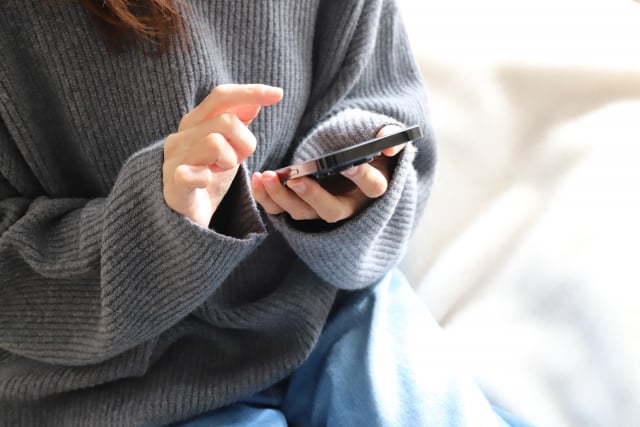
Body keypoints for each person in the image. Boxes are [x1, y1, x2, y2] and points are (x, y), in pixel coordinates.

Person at [0, 0, 531, 426]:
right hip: (114, 386)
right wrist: (152, 225)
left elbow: (386, 101)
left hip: (329, 307)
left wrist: (355, 190)